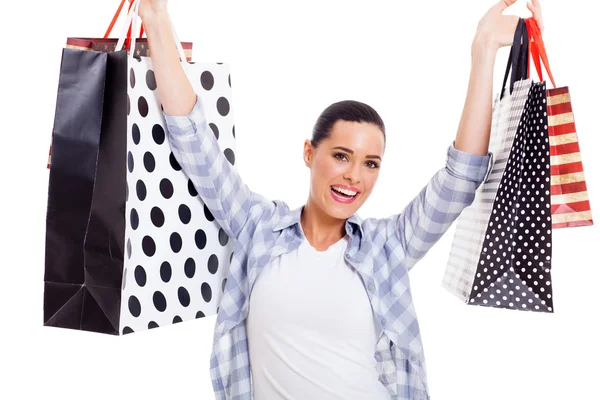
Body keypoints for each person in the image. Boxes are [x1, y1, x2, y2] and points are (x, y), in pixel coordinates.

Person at [138, 0, 545, 398]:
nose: (354, 176)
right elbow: (193, 138)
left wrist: (484, 49)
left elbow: (461, 179)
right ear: (309, 153)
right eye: (341, 156)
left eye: (371, 164)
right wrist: (156, 19)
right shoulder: (256, 226)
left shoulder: (389, 247)